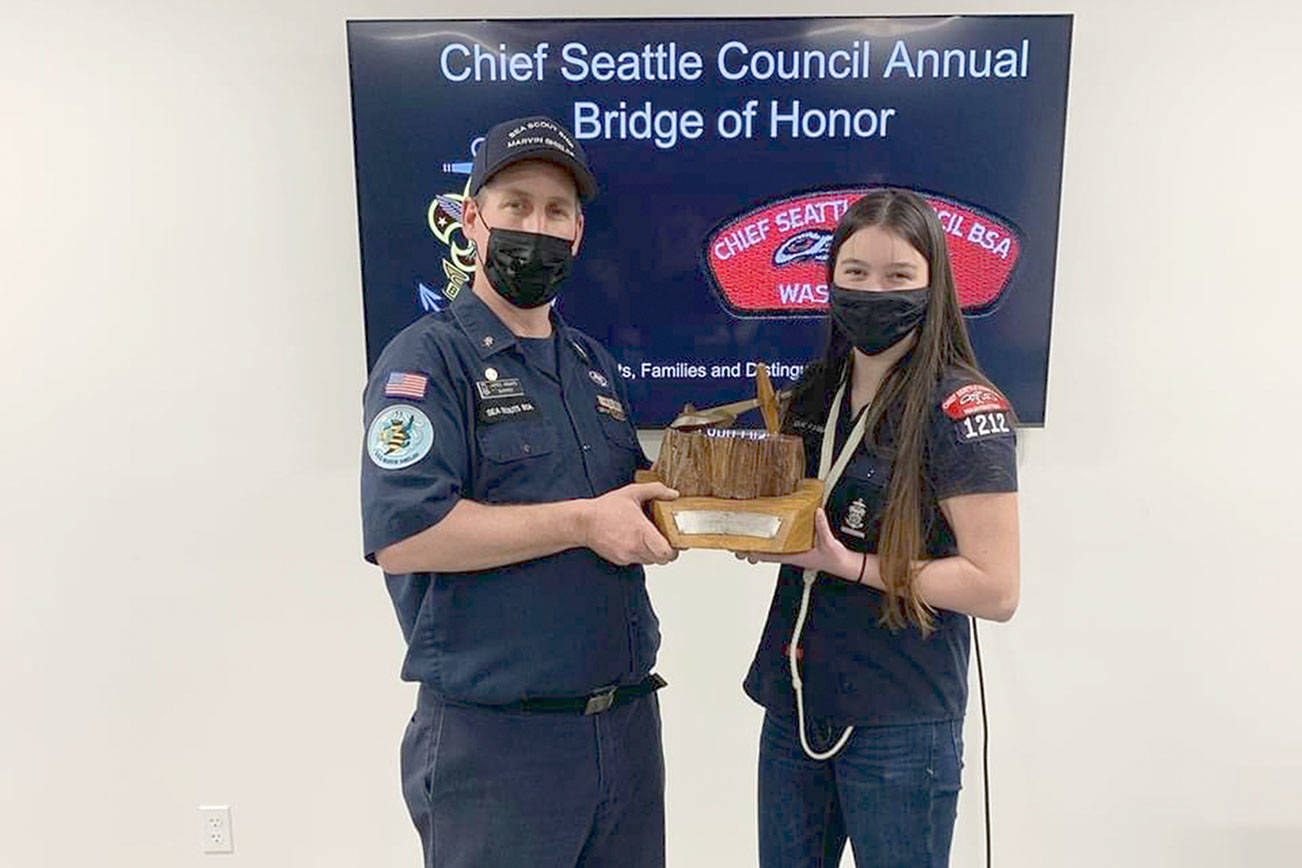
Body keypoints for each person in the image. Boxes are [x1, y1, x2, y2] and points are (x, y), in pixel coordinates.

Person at [360, 115, 679, 868]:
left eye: (557, 211)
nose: (537, 226)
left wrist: (725, 514)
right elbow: (406, 533)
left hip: (625, 733)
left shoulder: (592, 365)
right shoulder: (425, 361)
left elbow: (625, 507)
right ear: (472, 219)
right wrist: (581, 523)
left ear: (577, 235)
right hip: (499, 748)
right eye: (517, 205)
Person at [737, 188, 1020, 867]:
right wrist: (752, 530)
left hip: (901, 721)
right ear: (829, 280)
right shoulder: (813, 392)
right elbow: (800, 514)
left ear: (934, 286)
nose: (873, 292)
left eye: (898, 278)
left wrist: (853, 565)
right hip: (797, 702)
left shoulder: (961, 409)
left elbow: (996, 588)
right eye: (855, 274)